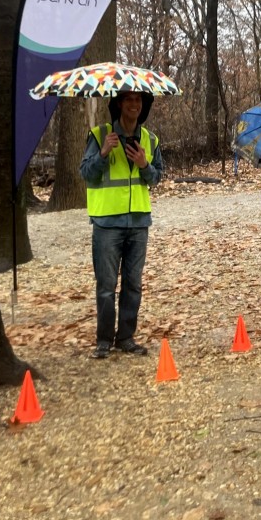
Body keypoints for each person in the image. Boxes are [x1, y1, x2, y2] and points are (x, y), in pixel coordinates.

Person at [80, 90, 164, 360]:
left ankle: (125, 337)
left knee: (133, 284)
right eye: (128, 100)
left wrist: (144, 165)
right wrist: (103, 153)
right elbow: (86, 175)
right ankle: (103, 340)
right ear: (118, 104)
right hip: (107, 223)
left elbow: (156, 178)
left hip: (138, 222)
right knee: (106, 286)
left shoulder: (150, 139)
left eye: (138, 100)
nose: (134, 105)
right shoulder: (99, 135)